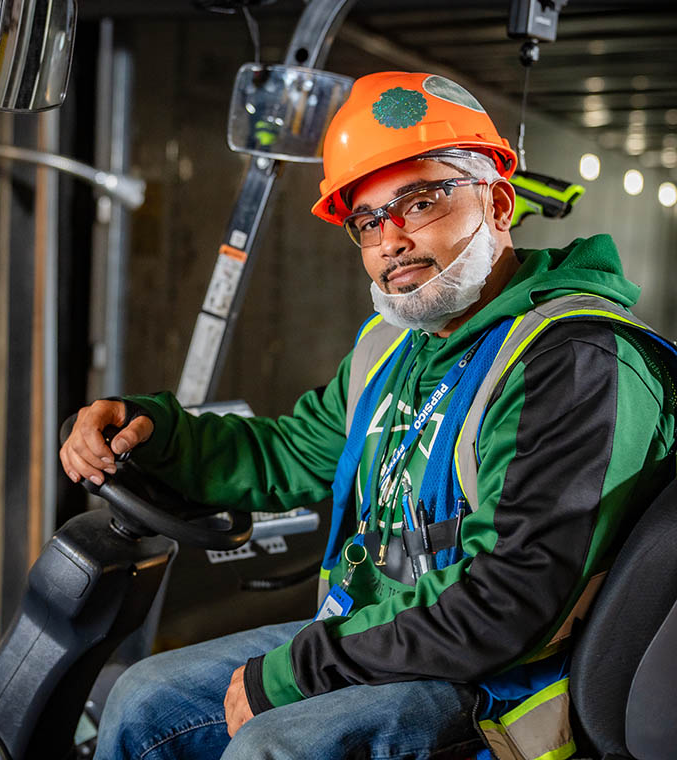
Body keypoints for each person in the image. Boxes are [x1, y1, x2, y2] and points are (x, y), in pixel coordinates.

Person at [60, 72, 676, 760]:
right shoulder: (394, 347)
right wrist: (151, 434)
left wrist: (298, 668)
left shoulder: (576, 361)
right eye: (368, 220)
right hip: (378, 633)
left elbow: (509, 597)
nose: (390, 241)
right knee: (143, 697)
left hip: (500, 685)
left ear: (498, 203)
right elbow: (290, 452)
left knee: (272, 748)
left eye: (419, 202)